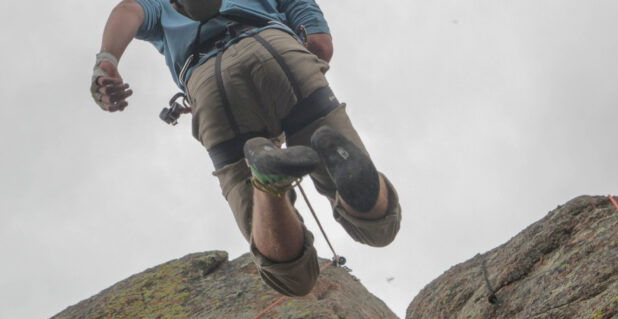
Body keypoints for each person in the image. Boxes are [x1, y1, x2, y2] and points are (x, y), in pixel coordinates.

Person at [91, 0, 401, 296]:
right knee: (379, 230)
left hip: (208, 80)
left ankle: (267, 181)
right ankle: (347, 170)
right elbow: (319, 43)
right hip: (278, 50)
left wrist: (107, 61)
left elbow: (129, 9)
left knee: (294, 278)